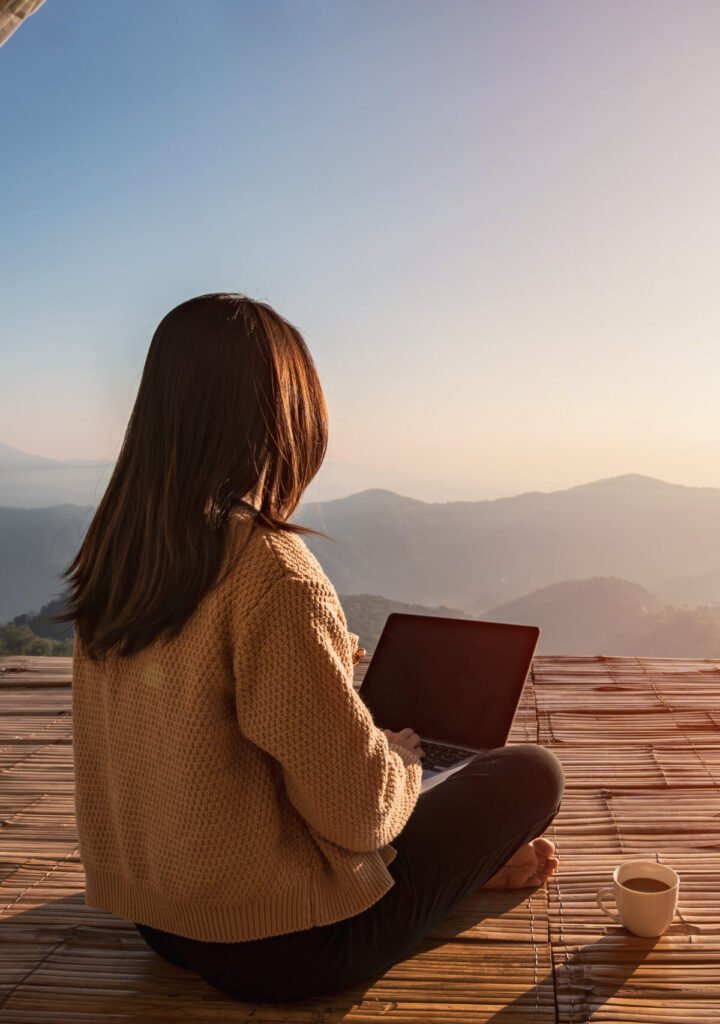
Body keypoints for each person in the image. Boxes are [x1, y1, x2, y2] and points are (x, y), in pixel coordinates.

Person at [61, 293, 564, 1004]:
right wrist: (400, 760)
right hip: (287, 945)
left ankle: (462, 867)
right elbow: (358, 819)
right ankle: (463, 874)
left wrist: (328, 659)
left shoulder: (121, 553)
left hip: (158, 915)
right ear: (284, 422)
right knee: (531, 774)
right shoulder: (271, 571)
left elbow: (193, 693)